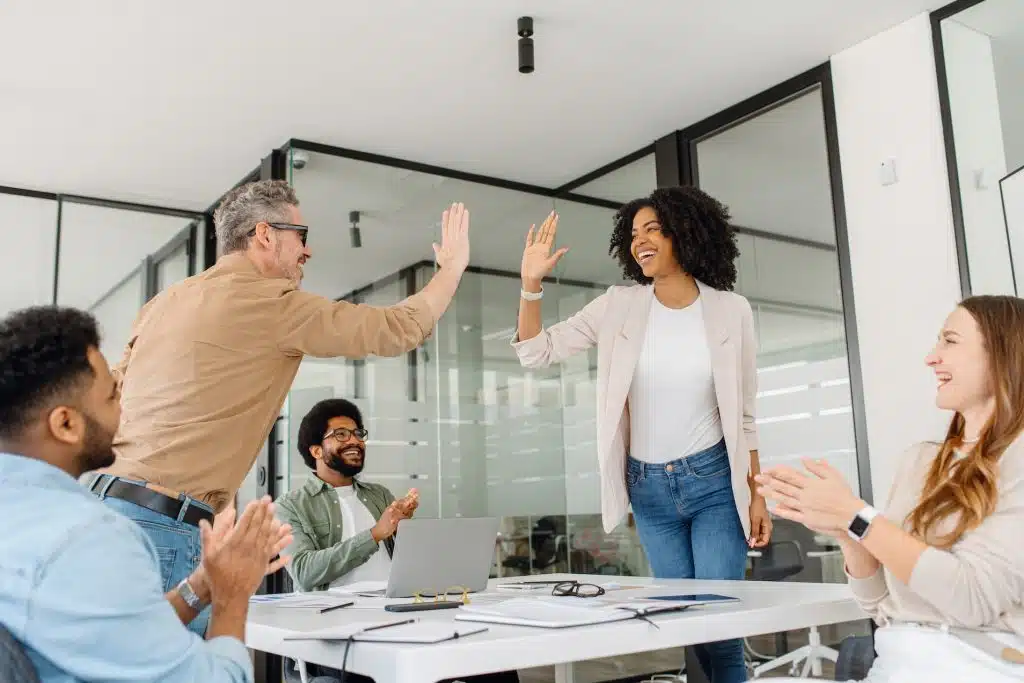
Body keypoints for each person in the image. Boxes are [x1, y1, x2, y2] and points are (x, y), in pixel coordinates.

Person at [89, 180, 471, 635]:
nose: (308, 251)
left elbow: (111, 395)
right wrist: (451, 270)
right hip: (163, 528)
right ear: (265, 235)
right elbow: (395, 328)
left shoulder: (163, 303)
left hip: (104, 510)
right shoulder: (271, 303)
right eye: (301, 236)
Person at [511, 186, 771, 683]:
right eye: (634, 233)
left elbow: (745, 414)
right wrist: (530, 285)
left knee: (720, 625)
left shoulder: (731, 310)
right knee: (684, 625)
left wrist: (756, 493)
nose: (640, 241)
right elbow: (537, 352)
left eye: (653, 229)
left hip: (715, 483)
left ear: (686, 233)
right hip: (649, 490)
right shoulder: (619, 305)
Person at [0, 306, 292, 683]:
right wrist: (231, 595)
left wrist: (202, 586)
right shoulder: (87, 538)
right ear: (66, 424)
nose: (124, 408)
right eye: (112, 396)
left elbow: (114, 640)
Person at [757, 296, 1024, 682]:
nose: (931, 358)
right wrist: (846, 531)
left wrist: (856, 516)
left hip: (977, 668)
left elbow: (972, 599)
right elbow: (879, 603)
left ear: (1002, 354)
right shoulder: (920, 461)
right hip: (895, 664)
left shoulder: (1017, 458)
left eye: (950, 341)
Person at [275, 398, 519, 683]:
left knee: (494, 663)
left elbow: (411, 561)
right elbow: (304, 571)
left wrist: (407, 531)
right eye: (341, 434)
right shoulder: (290, 506)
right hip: (337, 634)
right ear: (316, 450)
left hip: (399, 617)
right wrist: (375, 534)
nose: (354, 440)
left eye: (357, 433)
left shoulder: (378, 494)